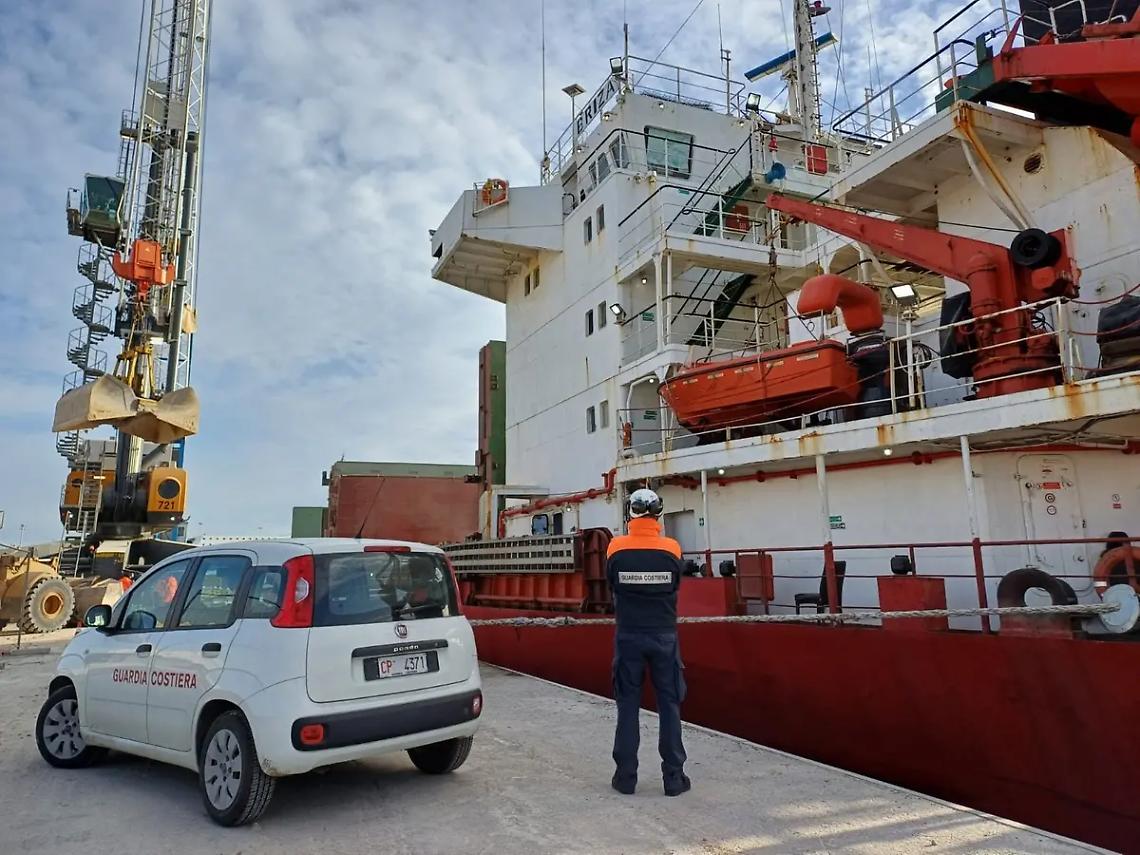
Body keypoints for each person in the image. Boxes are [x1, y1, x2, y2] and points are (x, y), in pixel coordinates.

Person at [606, 488, 690, 797]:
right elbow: (677, 584)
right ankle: (674, 778)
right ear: (658, 514)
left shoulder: (615, 548)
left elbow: (611, 583)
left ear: (631, 514)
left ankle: (625, 777)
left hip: (628, 635)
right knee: (669, 704)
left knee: (627, 705)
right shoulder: (672, 549)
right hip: (664, 637)